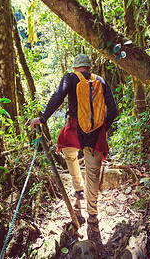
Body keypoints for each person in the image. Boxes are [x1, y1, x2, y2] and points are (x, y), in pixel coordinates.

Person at [30, 54, 117, 231]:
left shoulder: (70, 78)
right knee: (92, 173)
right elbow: (114, 108)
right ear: (89, 67)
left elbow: (58, 97)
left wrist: (43, 118)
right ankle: (92, 214)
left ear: (76, 67)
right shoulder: (101, 81)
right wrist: (103, 127)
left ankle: (78, 189)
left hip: (74, 131)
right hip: (96, 134)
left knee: (69, 153)